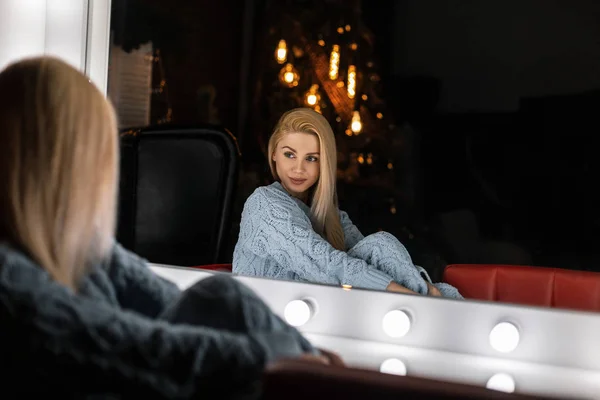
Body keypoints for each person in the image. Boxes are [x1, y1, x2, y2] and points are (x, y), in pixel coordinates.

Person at [0, 57, 340, 398]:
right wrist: (287, 359)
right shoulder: (8, 275)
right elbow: (139, 349)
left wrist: (305, 359)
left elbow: (170, 300)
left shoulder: (81, 248)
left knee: (220, 295)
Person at [233, 108, 462, 299]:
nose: (299, 169)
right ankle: (437, 311)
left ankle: (445, 310)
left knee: (380, 244)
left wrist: (424, 285)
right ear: (273, 154)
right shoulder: (264, 203)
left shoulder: (330, 215)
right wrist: (410, 294)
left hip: (315, 305)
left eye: (311, 158)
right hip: (269, 314)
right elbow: (325, 263)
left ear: (325, 163)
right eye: (289, 155)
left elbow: (378, 258)